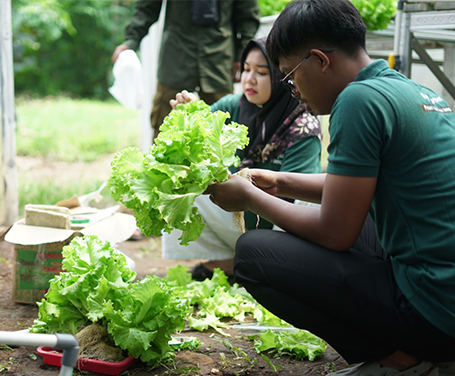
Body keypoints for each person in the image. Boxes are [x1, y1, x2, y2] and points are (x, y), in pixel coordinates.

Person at [205, 0, 455, 375]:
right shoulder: (408, 90)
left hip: (435, 312)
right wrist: (279, 181)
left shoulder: (357, 100)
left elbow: (336, 233)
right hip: (446, 292)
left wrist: (250, 197)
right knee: (359, 218)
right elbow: (354, 185)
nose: (292, 91)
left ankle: (403, 361)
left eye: (290, 77)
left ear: (320, 60)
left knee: (254, 255)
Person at [162, 37, 322, 281]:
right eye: (246, 69)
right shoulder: (233, 106)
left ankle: (262, 265)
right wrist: (191, 114)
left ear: (282, 77)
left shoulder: (302, 125)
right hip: (239, 213)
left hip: (279, 223)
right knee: (178, 182)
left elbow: (296, 198)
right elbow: (200, 131)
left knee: (310, 204)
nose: (249, 79)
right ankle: (233, 261)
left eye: (262, 72)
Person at [112, 0, 260, 139]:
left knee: (222, 130)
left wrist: (242, 55)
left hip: (219, 58)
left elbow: (247, 16)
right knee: (165, 128)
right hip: (176, 55)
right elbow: (147, 8)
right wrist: (130, 41)